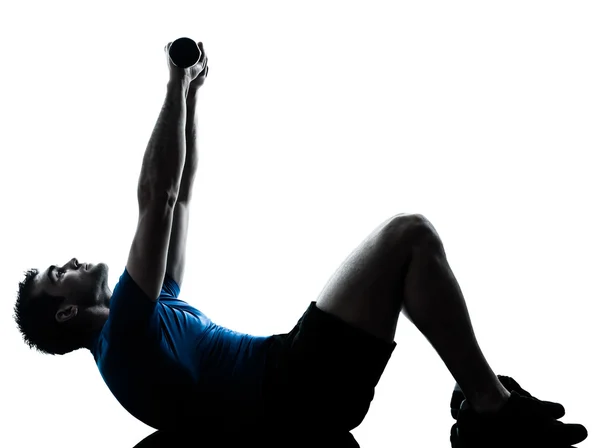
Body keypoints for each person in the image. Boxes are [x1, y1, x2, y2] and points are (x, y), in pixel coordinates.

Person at [13, 41, 588, 448]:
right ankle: (490, 409)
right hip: (290, 388)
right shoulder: (125, 338)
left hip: (299, 388)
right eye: (55, 275)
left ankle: (483, 400)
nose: (67, 263)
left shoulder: (149, 311)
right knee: (407, 235)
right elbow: (156, 197)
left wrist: (189, 96)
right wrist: (170, 80)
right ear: (66, 311)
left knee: (412, 247)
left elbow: (180, 198)